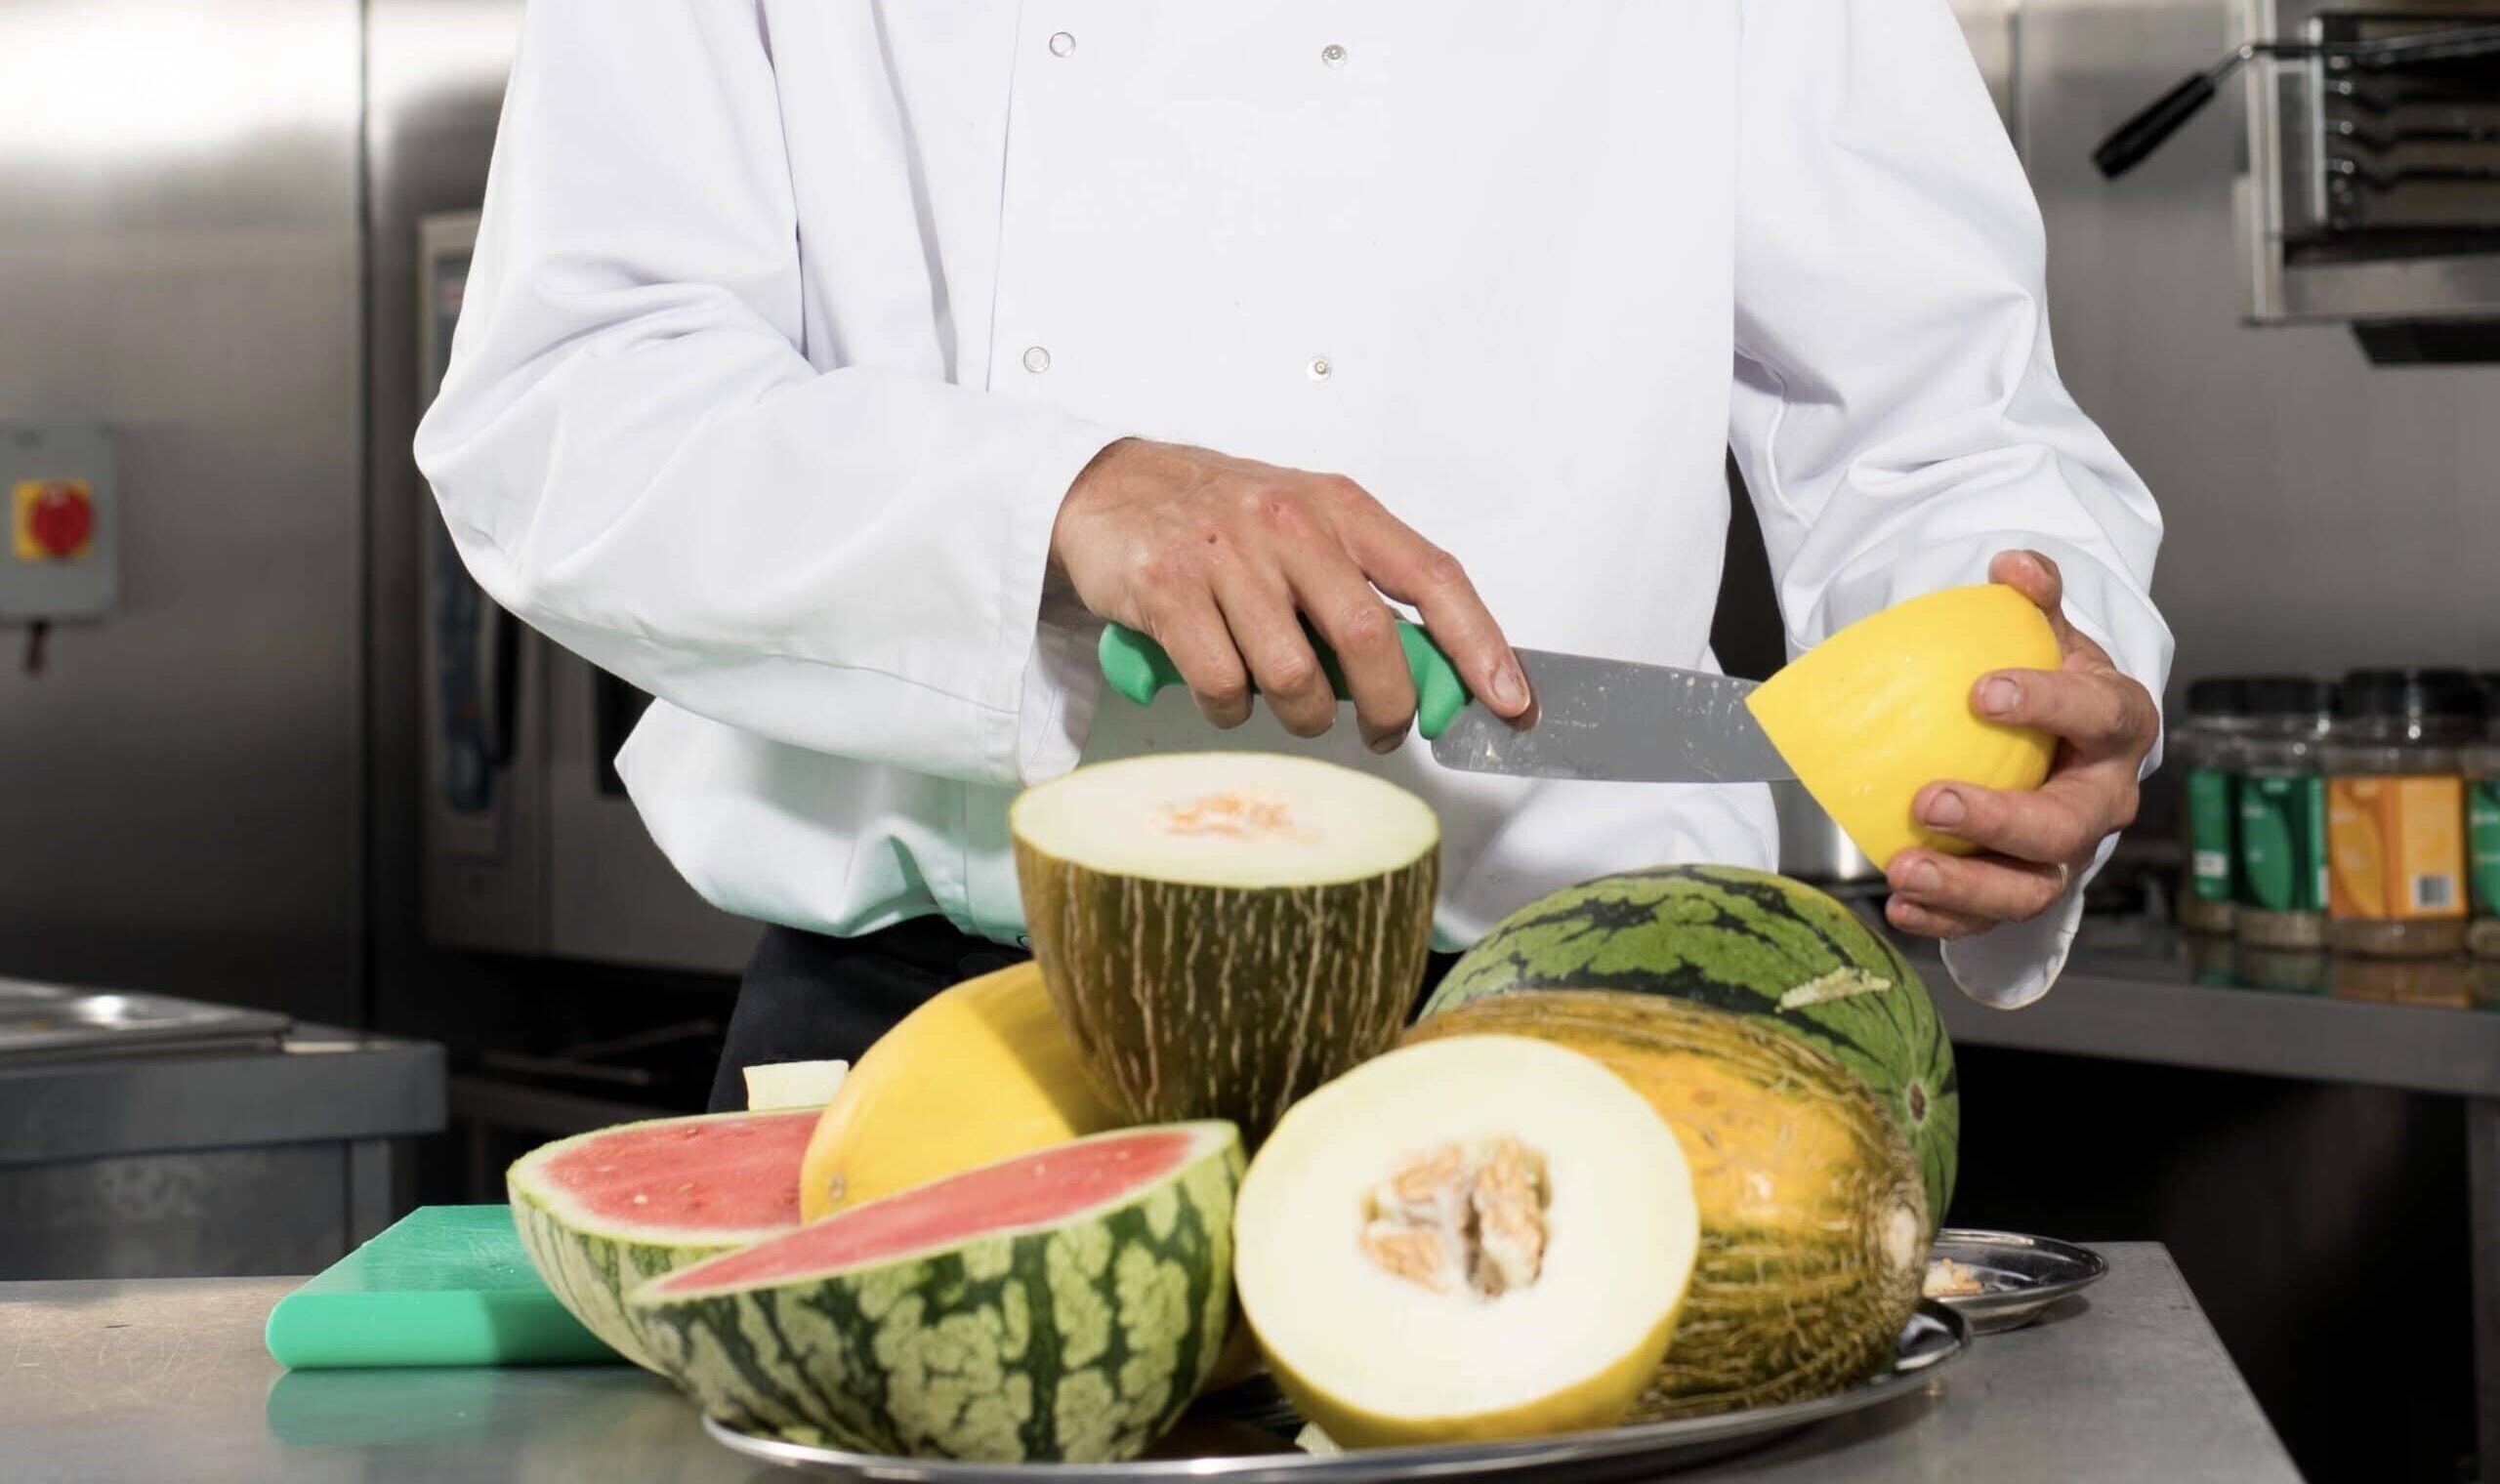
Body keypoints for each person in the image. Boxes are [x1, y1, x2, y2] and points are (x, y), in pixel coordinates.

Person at [415, 0, 2172, 1109]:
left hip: (1584, 1024)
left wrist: (2037, 685)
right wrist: (1054, 500)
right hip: (951, 1045)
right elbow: (562, 410)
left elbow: (1939, 424)